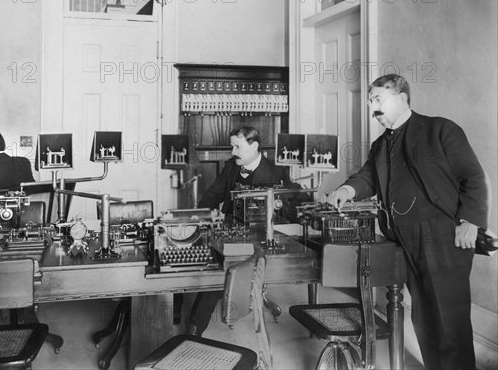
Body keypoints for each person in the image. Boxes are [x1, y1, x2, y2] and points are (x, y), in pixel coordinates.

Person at [327, 74, 489, 370]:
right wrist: (346, 190)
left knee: (449, 319)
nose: (371, 105)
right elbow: (367, 178)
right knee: (424, 317)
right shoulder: (380, 145)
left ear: (401, 99)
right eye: (370, 100)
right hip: (403, 237)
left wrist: (470, 221)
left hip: (442, 235)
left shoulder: (439, 129)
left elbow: (473, 176)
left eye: (378, 99)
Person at [186, 125, 310, 336]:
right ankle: (194, 329)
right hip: (231, 228)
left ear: (254, 146)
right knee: (215, 264)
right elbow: (212, 195)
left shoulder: (277, 170)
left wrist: (311, 201)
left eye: (237, 147)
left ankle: (196, 326)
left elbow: (295, 196)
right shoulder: (231, 167)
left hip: (261, 233)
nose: (233, 152)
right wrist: (199, 215)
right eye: (232, 147)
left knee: (225, 267)